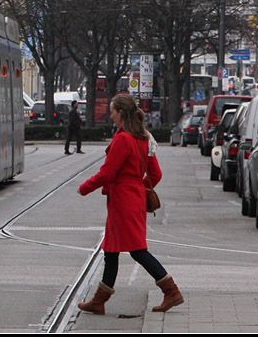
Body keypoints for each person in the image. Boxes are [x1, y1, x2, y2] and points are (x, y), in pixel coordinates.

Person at [76, 93, 183, 316]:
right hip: (132, 198)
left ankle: (171, 290)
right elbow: (156, 173)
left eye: (113, 111)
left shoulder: (123, 139)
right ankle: (99, 300)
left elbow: (107, 173)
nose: (111, 115)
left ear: (121, 113)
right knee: (111, 249)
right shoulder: (143, 137)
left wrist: (84, 187)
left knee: (137, 250)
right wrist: (138, 187)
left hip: (122, 201)